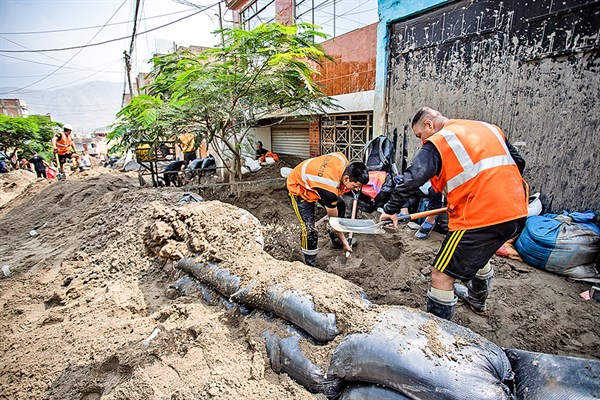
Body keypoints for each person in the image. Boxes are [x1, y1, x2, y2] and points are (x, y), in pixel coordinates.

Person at [379, 107, 528, 320]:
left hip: (479, 216)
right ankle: (477, 300)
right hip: (516, 209)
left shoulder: (441, 140)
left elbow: (412, 178)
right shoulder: (489, 129)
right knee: (480, 252)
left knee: (441, 275)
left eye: (419, 135)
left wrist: (390, 210)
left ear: (429, 124)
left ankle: (438, 335)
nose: (421, 141)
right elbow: (518, 163)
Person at [286, 152, 369, 267]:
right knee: (309, 230)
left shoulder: (343, 160)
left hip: (314, 181)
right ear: (346, 178)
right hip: (299, 187)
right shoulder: (329, 189)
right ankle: (309, 264)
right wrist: (345, 242)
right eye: (356, 186)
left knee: (340, 205)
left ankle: (336, 240)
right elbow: (333, 219)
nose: (357, 189)